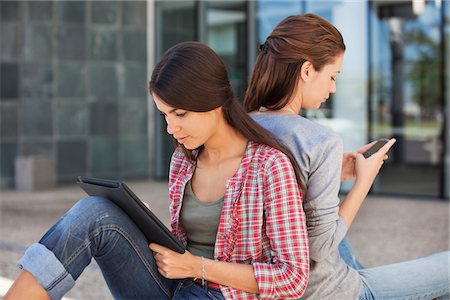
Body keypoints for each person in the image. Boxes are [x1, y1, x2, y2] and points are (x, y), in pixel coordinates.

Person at [5, 41, 309, 300]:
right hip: (176, 285)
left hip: (225, 294)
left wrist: (197, 268)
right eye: (164, 114)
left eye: (180, 114)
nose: (171, 127)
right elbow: (184, 247)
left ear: (214, 102)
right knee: (94, 211)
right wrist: (143, 224)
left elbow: (293, 278)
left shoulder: (269, 166)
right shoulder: (183, 161)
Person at [244, 13, 449, 300]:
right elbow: (320, 247)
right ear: (306, 71)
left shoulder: (242, 128)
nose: (333, 88)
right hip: (328, 291)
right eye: (332, 76)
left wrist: (333, 173)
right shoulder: (319, 140)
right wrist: (364, 181)